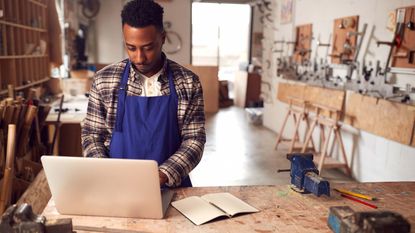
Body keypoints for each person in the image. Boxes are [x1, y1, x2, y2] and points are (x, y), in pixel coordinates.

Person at [81, 0, 206, 188]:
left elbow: (194, 139)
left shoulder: (188, 83)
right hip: (117, 187)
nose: (139, 58)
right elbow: (92, 135)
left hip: (171, 188)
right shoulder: (104, 80)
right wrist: (105, 171)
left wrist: (164, 173)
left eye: (148, 47)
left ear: (162, 38)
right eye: (131, 47)